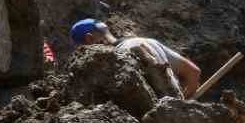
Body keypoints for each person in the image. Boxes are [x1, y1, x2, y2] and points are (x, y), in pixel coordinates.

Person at [70, 18, 201, 98]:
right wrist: (183, 103)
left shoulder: (120, 59)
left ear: (89, 38)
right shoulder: (146, 41)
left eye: (85, 50)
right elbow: (194, 72)